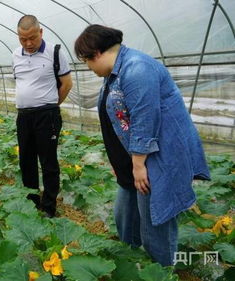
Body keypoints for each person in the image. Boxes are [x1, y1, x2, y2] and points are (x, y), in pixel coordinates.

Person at [74, 24, 210, 266]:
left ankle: (161, 270)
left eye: (86, 61)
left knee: (155, 224)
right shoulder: (113, 74)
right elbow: (118, 121)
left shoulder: (137, 69)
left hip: (156, 158)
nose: (88, 67)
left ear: (96, 54)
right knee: (125, 216)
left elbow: (145, 121)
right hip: (133, 161)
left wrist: (138, 166)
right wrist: (121, 162)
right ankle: (132, 261)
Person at [12, 15, 73, 218]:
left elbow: (66, 84)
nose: (28, 43)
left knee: (48, 162)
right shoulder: (15, 55)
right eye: (23, 39)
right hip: (24, 116)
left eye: (32, 38)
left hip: (46, 115)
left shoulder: (54, 53)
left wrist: (51, 106)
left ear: (41, 32)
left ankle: (48, 207)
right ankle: (31, 202)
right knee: (26, 161)